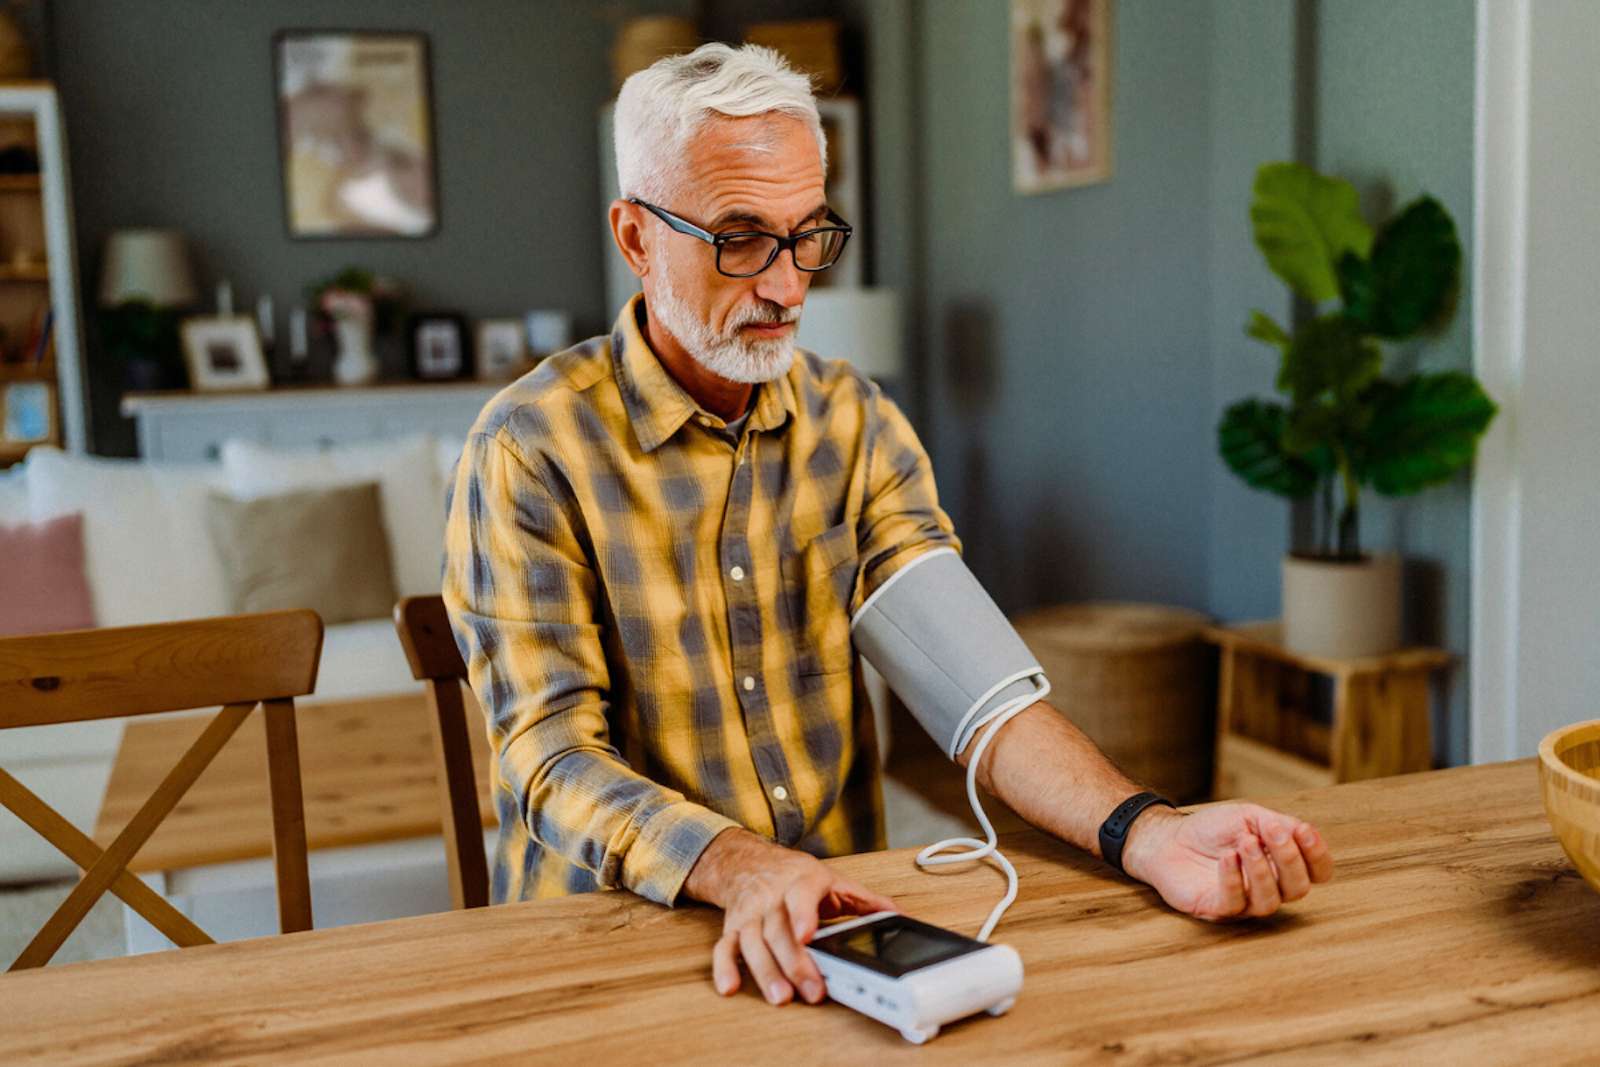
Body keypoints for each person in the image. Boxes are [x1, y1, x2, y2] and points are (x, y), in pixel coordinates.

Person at [442, 42, 1333, 1010]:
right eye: (740, 237)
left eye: (807, 233)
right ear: (634, 236)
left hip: (841, 936)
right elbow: (550, 756)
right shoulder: (530, 447)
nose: (786, 287)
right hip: (612, 949)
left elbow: (976, 689)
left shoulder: (854, 421)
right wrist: (741, 866)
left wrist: (1148, 830)